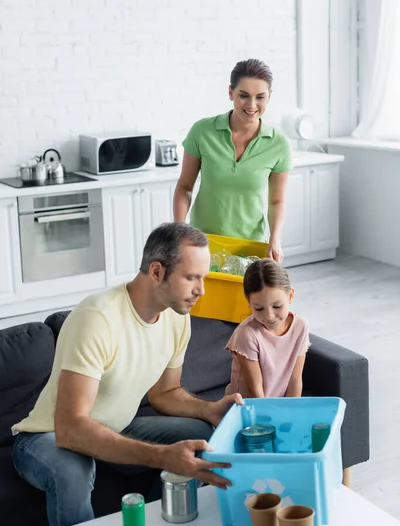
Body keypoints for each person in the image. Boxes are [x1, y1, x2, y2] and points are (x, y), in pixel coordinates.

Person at [12, 222, 242, 526]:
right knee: (72, 472)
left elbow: (165, 392)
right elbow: (70, 428)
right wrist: (162, 456)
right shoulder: (98, 318)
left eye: (203, 278)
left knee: (201, 439)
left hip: (117, 426)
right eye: (191, 278)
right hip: (47, 436)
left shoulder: (176, 318)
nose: (202, 290)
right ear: (157, 271)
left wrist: (209, 410)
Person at [173, 58, 292, 262]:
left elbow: (277, 201)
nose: (252, 105)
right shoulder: (202, 132)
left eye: (260, 97)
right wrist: (179, 232)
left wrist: (275, 239)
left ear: (269, 97)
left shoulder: (278, 144)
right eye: (243, 95)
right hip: (201, 243)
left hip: (250, 246)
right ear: (230, 93)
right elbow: (185, 187)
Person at [225, 259, 310, 398]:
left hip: (275, 407)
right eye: (259, 308)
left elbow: (295, 381)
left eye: (277, 306)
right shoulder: (246, 334)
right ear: (249, 303)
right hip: (245, 408)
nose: (269, 316)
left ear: (291, 296)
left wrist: (290, 416)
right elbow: (256, 392)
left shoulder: (300, 327)